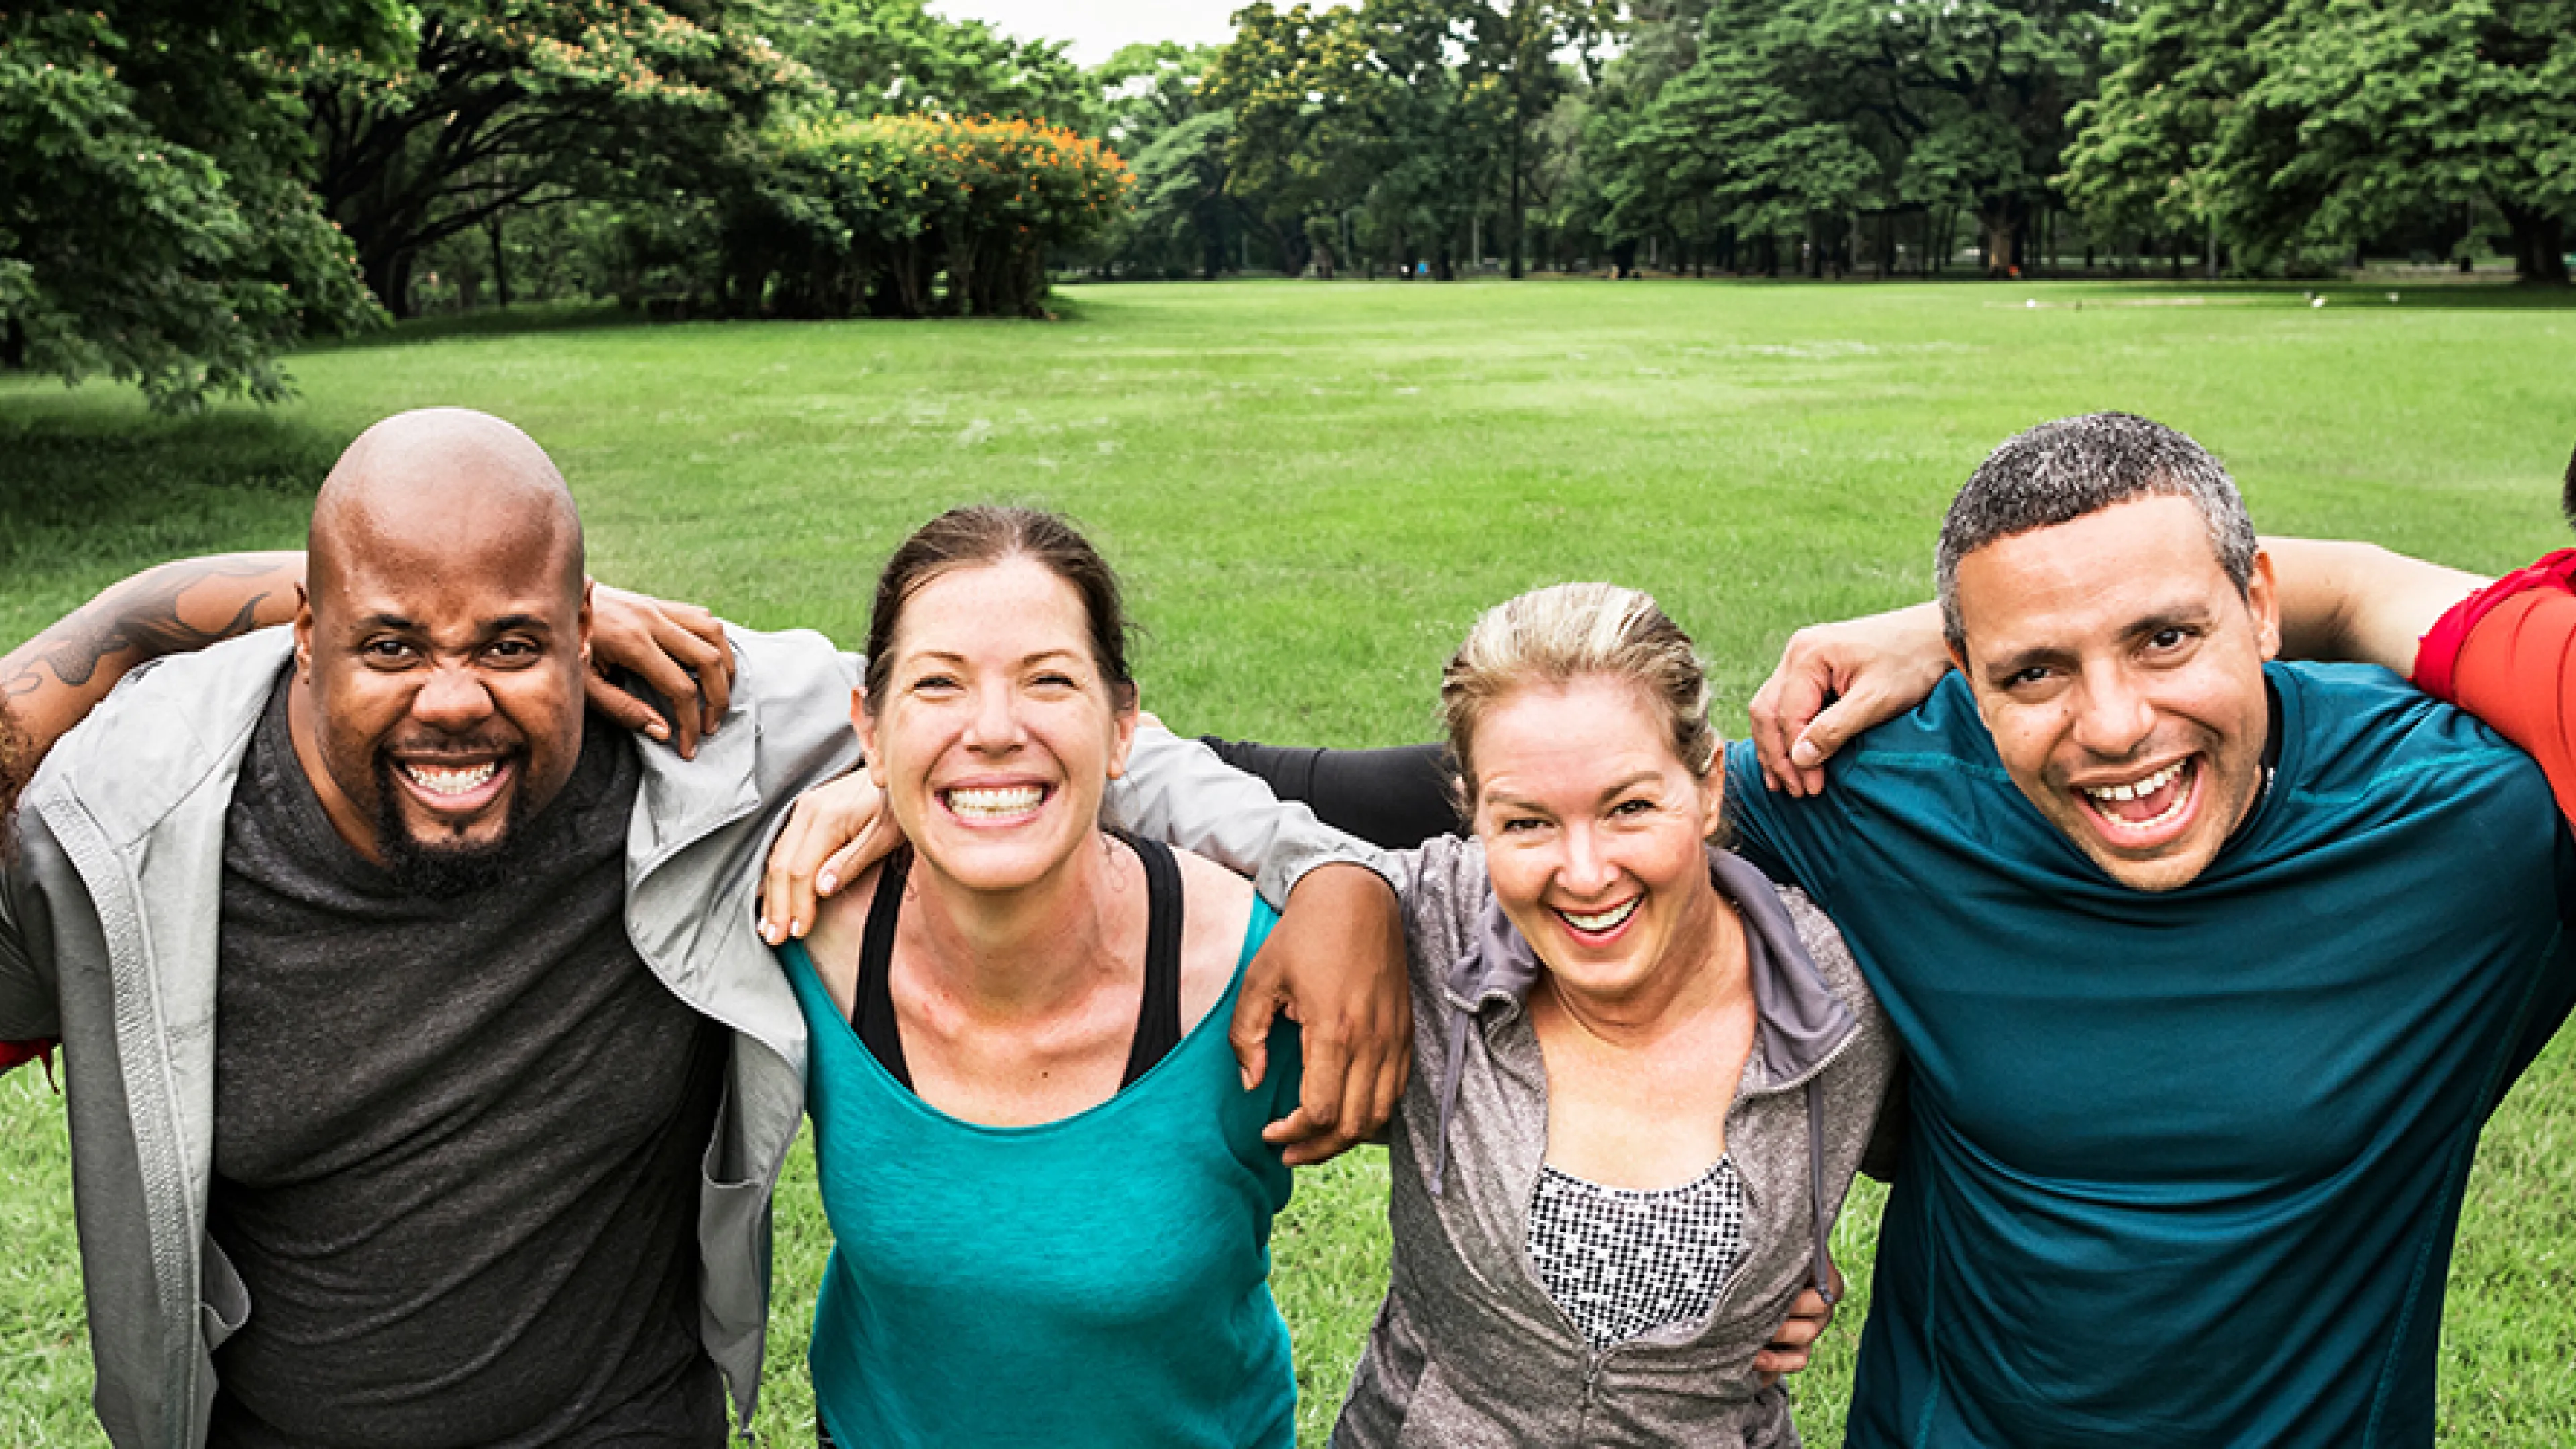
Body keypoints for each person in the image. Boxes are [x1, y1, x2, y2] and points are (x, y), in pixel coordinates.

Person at [1141, 414, 2574, 1444]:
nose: (2117, 726)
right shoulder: (1874, 791)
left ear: (2260, 605)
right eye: (2033, 672)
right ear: (1960, 678)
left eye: (2165, 638)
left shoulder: (2480, 834)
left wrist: (2339, 582)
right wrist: (1321, 873)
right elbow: (1523, 796)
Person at [0, 409, 1408, 1448]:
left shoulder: (688, 725)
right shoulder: (125, 834)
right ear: (305, 632)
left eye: (509, 642)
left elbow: (1015, 729)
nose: (454, 702)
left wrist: (1334, 872)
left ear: (579, 628)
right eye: (392, 644)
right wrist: (133, 612)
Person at [768, 580, 1881, 1444]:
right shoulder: (1430, 932)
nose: (1584, 871)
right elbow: (1182, 764)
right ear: (1469, 815)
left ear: (1712, 785)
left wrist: (1776, 1263)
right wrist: (913, 782)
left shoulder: (1847, 995)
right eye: (1526, 820)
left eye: (1633, 805)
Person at [777, 506, 1312, 1448]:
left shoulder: (1260, 975)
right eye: (938, 684)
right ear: (869, 726)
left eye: (1049, 681)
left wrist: (1348, 882)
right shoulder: (806, 937)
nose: (992, 730)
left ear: (1121, 728)